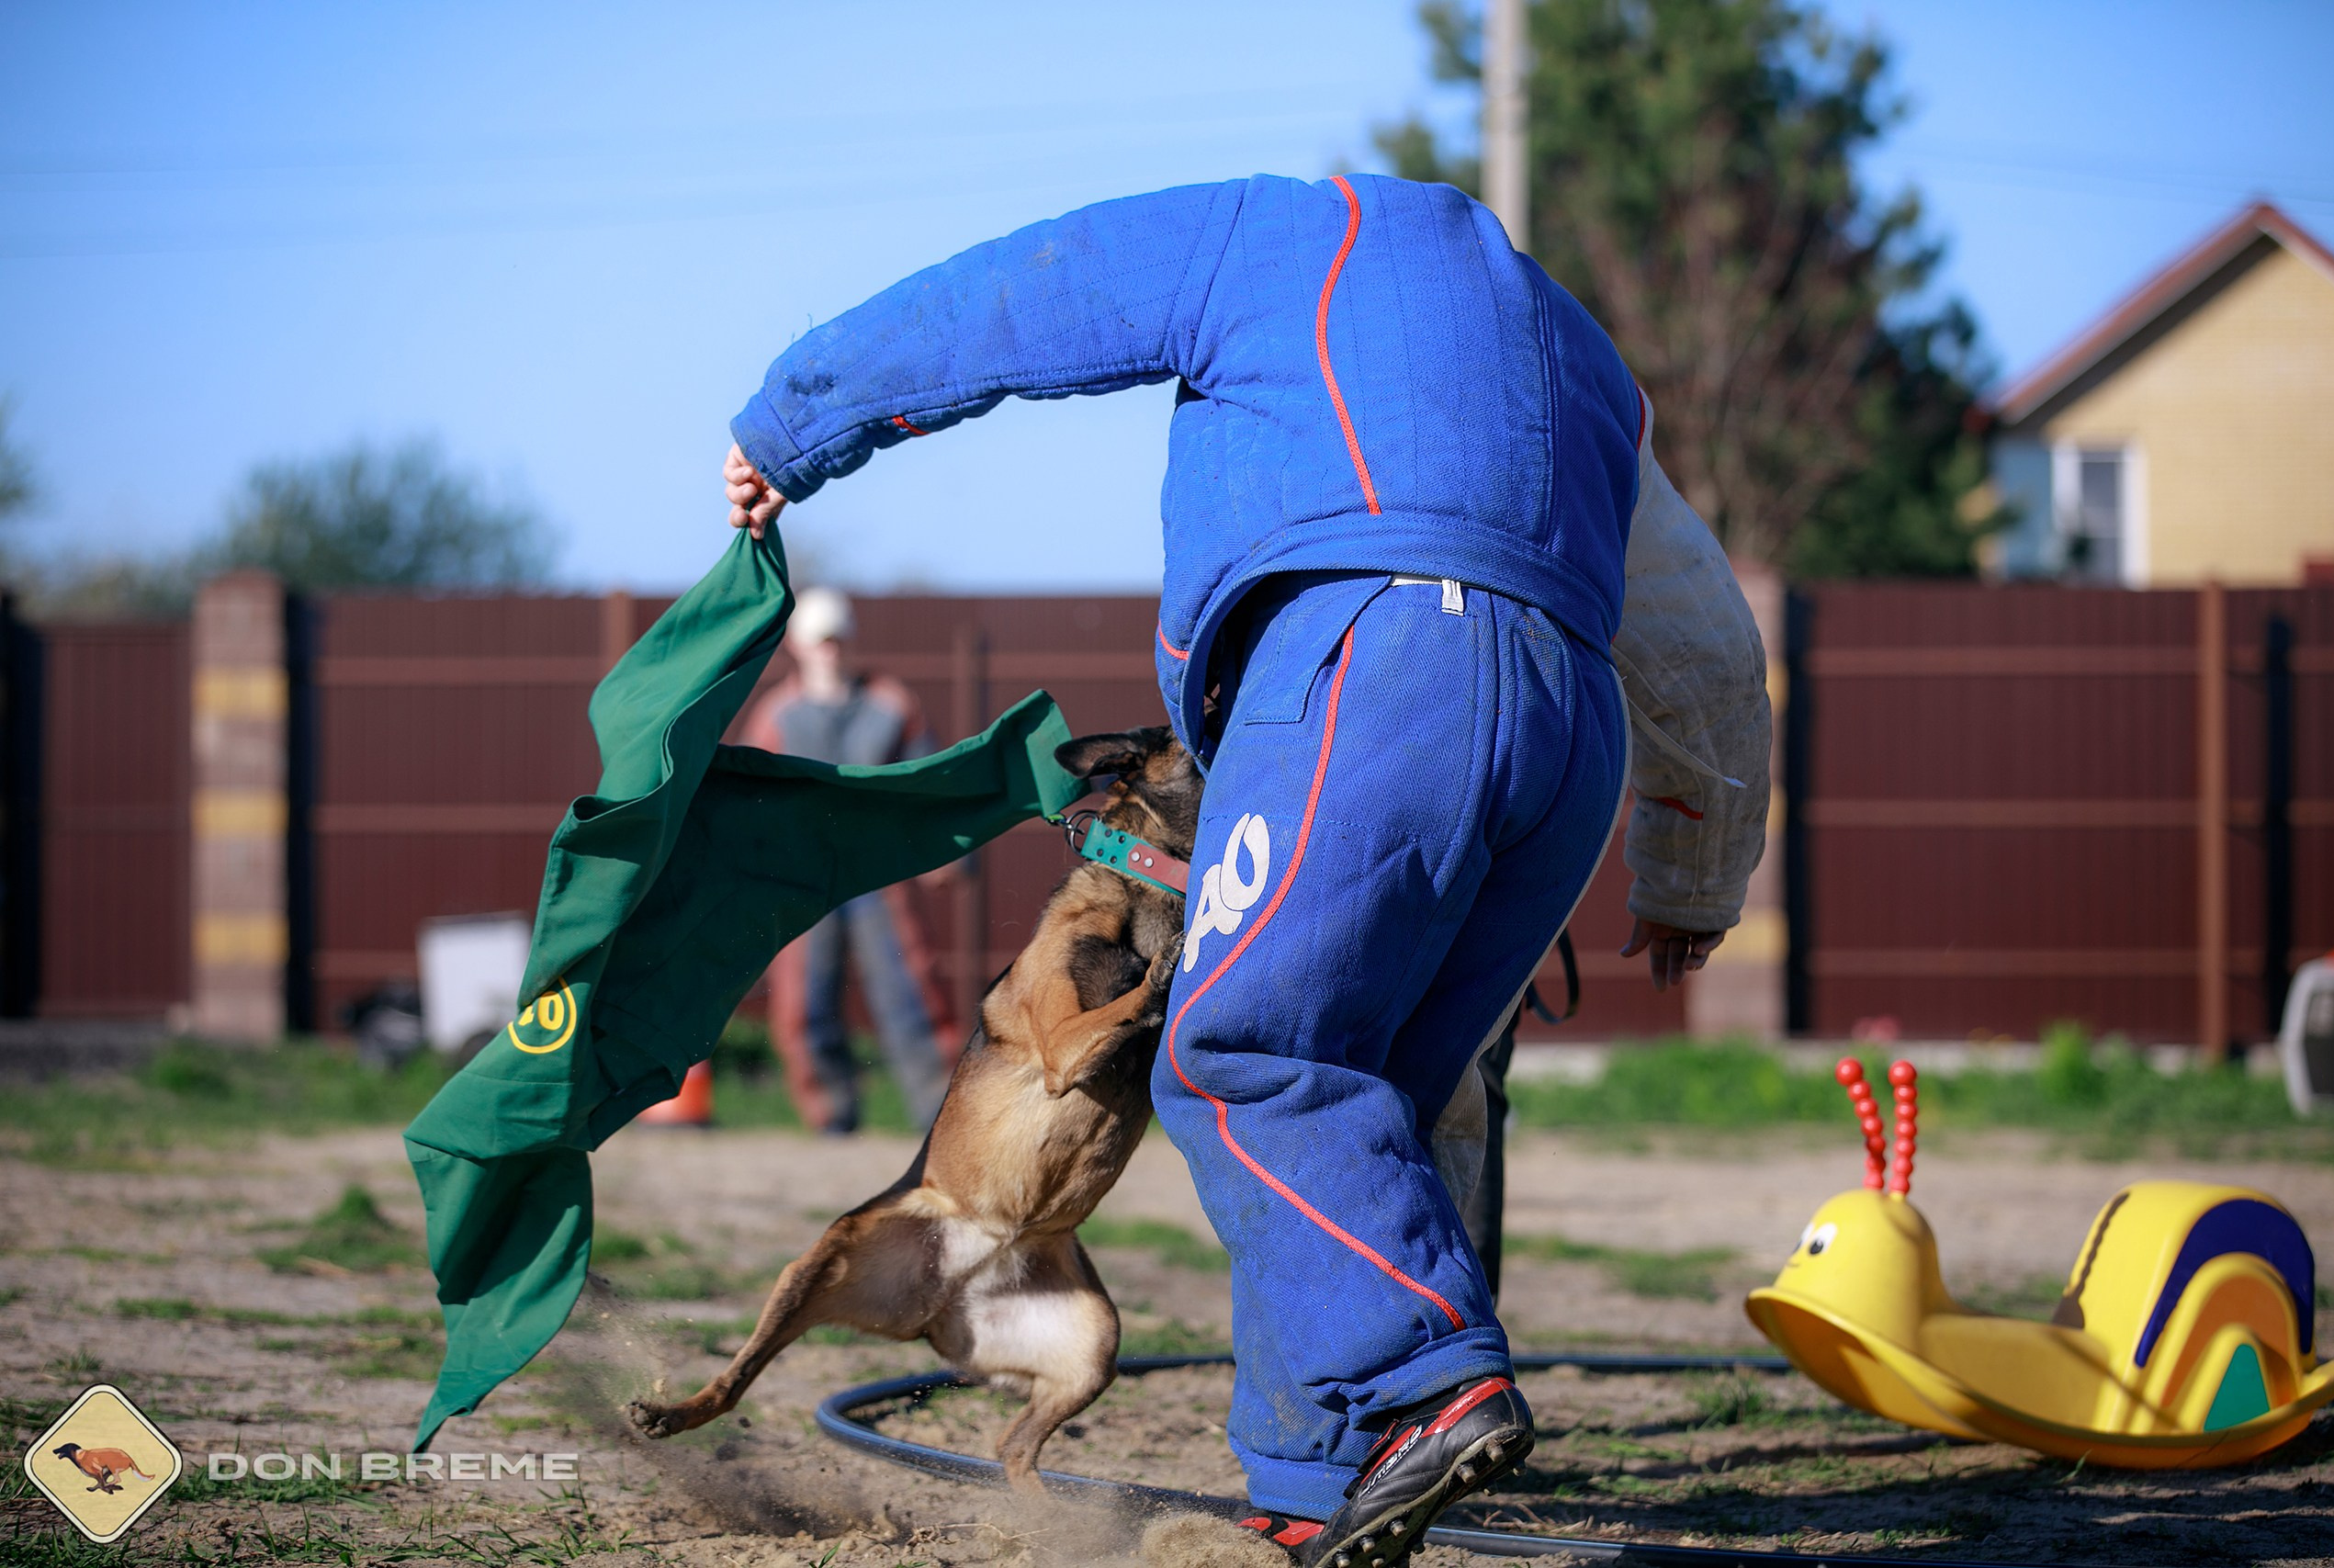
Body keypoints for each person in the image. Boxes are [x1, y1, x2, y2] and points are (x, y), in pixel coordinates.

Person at [720, 174, 1769, 1567]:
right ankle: (1316, 1480)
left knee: (1243, 1053)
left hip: (1373, 661)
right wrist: (1694, 865)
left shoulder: (1279, 233)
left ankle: (1423, 1379)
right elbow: (1698, 620)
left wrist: (796, 419)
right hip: (1569, 720)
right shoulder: (1566, 339)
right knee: (1368, 1097)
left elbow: (1020, 295)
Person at [743, 586, 963, 1134]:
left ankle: (940, 1118)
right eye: (820, 641)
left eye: (838, 639)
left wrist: (942, 848)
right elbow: (753, 801)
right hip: (805, 875)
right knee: (805, 1000)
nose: (830, 651)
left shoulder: (891, 703)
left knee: (908, 991)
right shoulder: (777, 716)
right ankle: (831, 1117)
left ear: (851, 639)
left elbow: (928, 778)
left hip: (878, 872)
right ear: (798, 646)